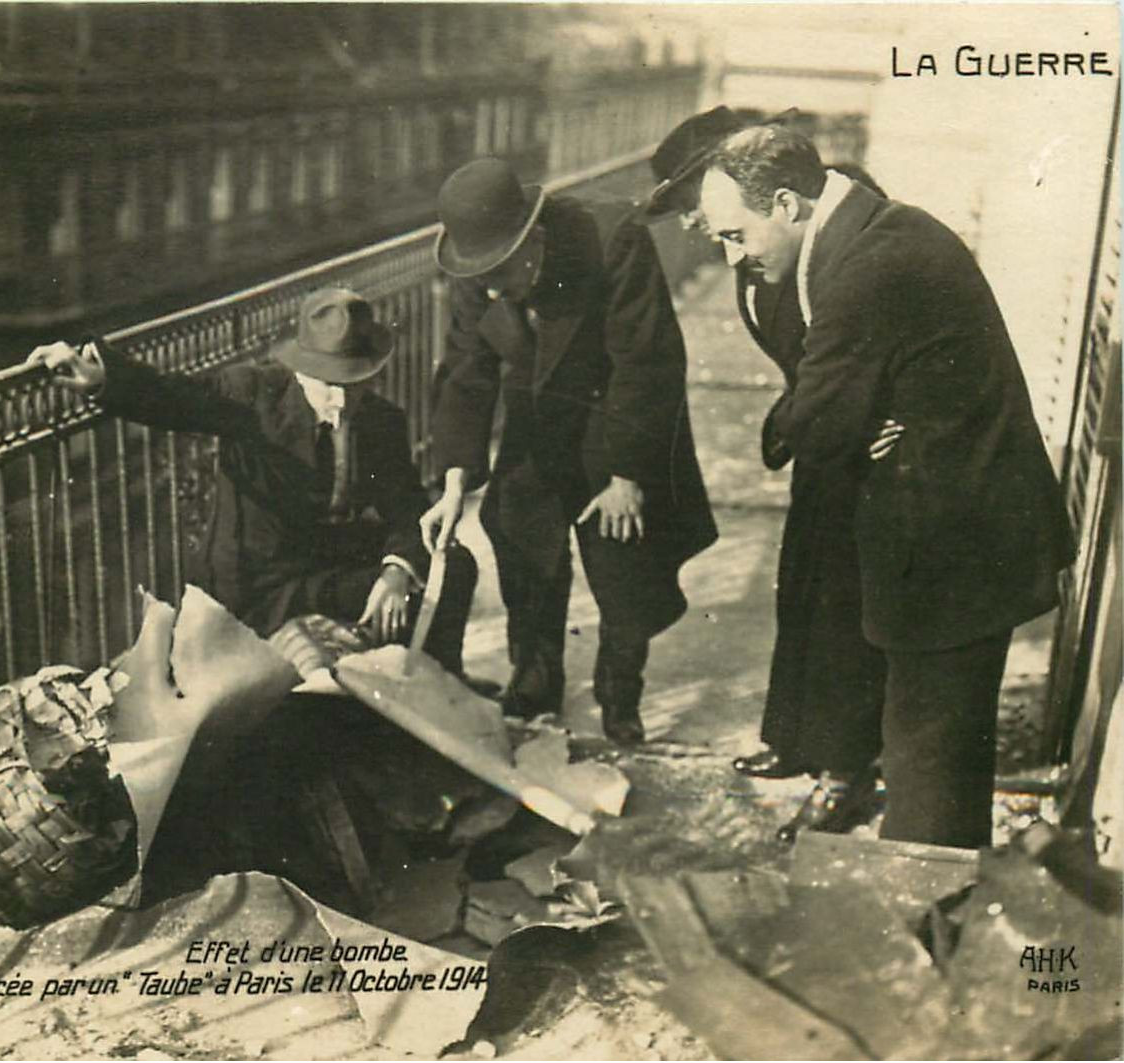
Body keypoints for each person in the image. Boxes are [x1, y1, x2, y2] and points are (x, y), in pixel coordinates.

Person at [698, 126, 1075, 848]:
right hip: (959, 530)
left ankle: (925, 930)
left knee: (927, 764)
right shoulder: (884, 227)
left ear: (785, 204)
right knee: (933, 753)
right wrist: (869, 411)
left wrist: (848, 415)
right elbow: (836, 412)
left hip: (952, 551)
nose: (731, 256)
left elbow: (816, 429)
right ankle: (931, 909)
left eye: (736, 234)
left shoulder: (866, 272)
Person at [646, 108, 891, 842]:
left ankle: (844, 772)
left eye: (694, 206)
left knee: (845, 610)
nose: (692, 225)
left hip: (858, 450)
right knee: (802, 592)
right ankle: (795, 738)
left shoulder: (827, 237)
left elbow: (866, 346)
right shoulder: (748, 255)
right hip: (821, 442)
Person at [26, 286, 478, 674]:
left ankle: (439, 695)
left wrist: (396, 572)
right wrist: (100, 377)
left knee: (452, 566)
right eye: (327, 382)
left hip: (326, 569)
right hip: (262, 584)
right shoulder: (253, 394)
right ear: (300, 369)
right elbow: (173, 397)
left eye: (353, 382)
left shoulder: (382, 420)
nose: (340, 397)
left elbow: (408, 509)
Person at [421, 157, 717, 744]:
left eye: (501, 272)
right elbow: (465, 370)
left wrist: (628, 473)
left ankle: (619, 694)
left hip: (617, 412)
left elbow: (647, 361)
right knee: (519, 531)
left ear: (532, 237)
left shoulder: (612, 239)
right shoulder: (474, 265)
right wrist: (454, 476)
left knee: (623, 557)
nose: (489, 287)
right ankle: (534, 677)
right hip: (538, 414)